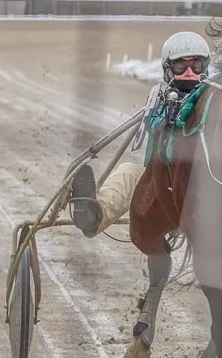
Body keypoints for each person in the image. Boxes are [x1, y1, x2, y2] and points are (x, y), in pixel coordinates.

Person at [67, 30, 211, 238]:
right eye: (181, 65)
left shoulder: (217, 100)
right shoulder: (159, 100)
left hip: (205, 188)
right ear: (167, 69)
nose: (189, 72)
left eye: (196, 65)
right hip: (161, 185)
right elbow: (155, 128)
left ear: (205, 66)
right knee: (129, 173)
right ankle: (93, 214)